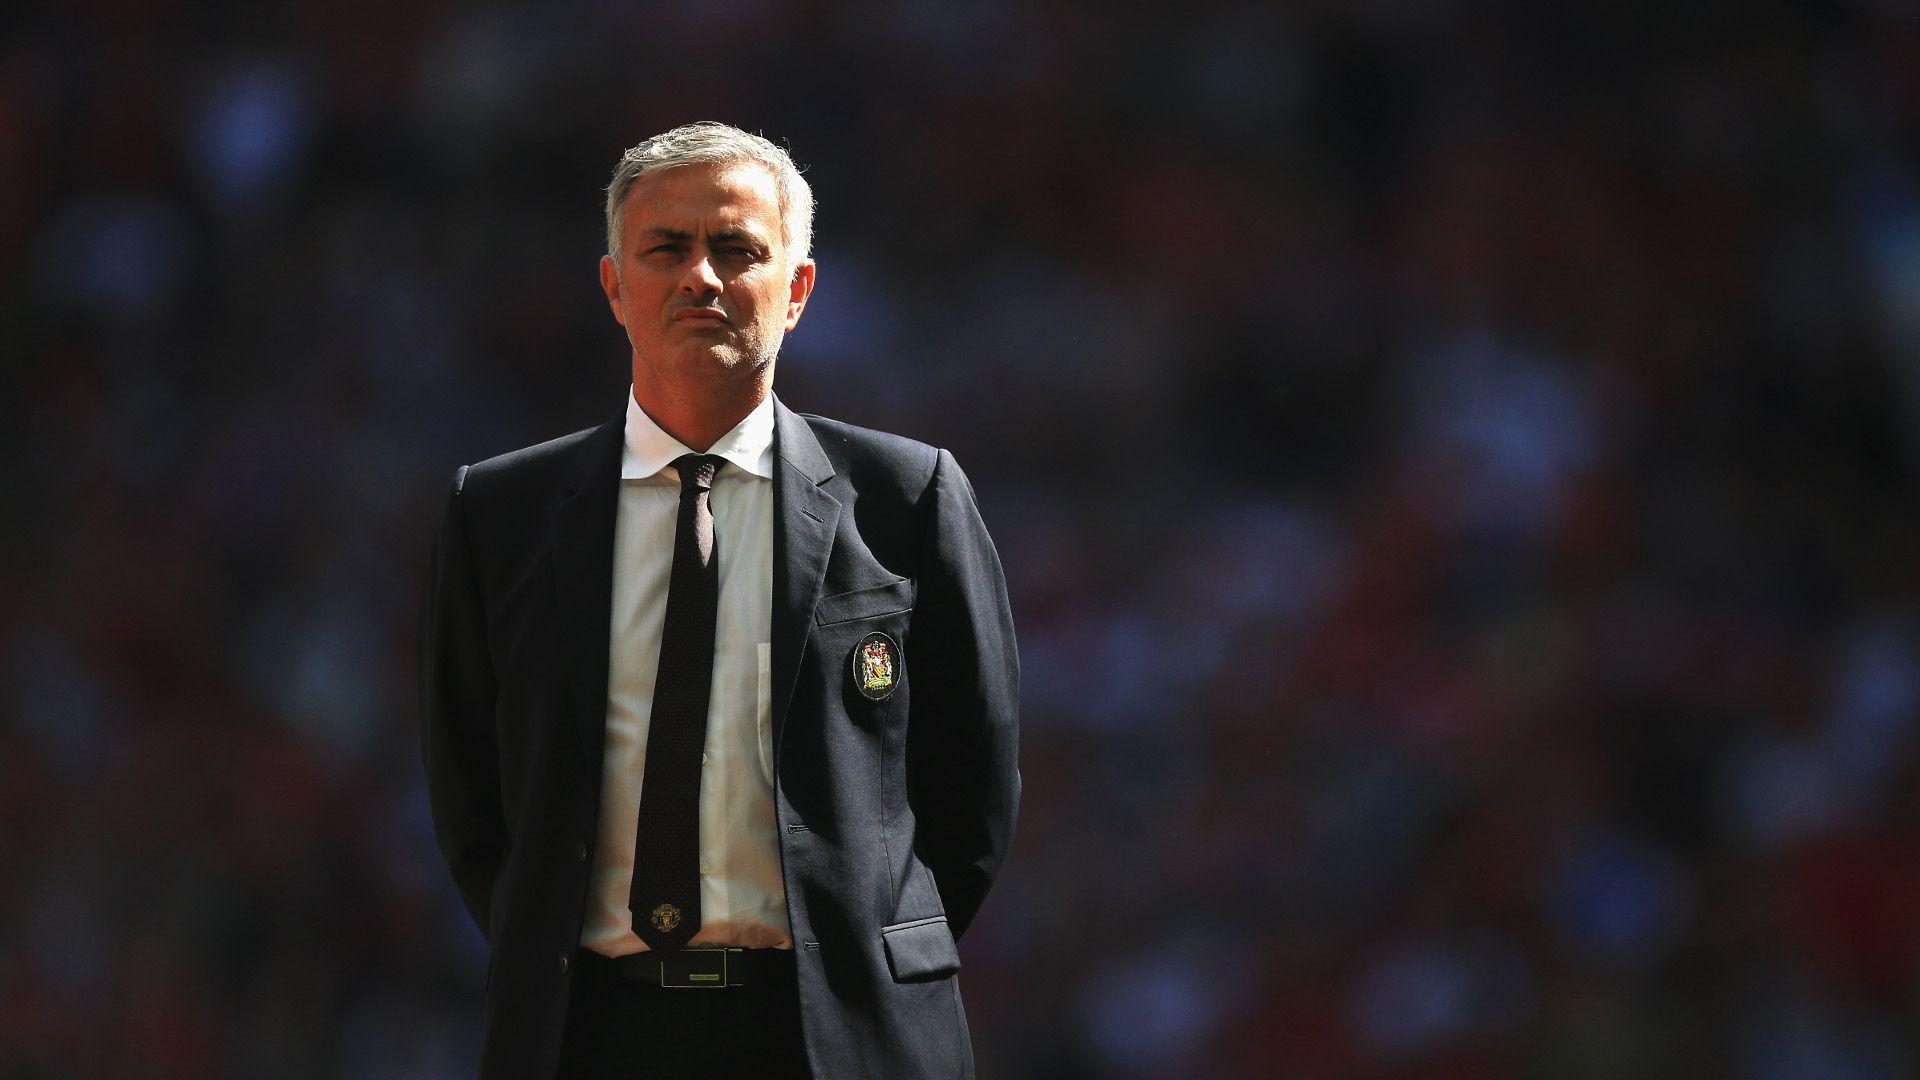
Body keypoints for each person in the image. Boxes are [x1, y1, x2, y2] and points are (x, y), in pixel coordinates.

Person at [418, 122, 1021, 1079]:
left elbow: (972, 799)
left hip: (838, 1037)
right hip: (586, 1034)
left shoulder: (909, 499)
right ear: (615, 286)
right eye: (667, 248)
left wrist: (858, 949)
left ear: (798, 291)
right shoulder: (501, 513)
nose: (700, 276)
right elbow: (471, 798)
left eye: (737, 248)